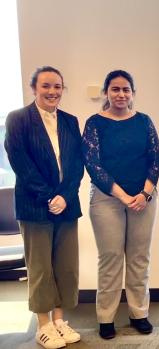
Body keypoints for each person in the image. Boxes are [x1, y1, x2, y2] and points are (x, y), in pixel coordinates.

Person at [5, 66, 83, 349]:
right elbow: (20, 163)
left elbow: (76, 164)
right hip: (35, 204)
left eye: (57, 86)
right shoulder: (18, 119)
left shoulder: (70, 121)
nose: (52, 92)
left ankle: (60, 320)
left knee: (66, 266)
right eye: (46, 86)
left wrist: (65, 195)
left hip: (67, 204)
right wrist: (50, 197)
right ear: (34, 88)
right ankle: (44, 325)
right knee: (40, 267)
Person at [83, 70, 159, 339]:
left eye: (126, 89)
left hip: (144, 198)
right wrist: (123, 196)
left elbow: (155, 160)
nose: (121, 94)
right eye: (115, 89)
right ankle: (106, 318)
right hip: (107, 200)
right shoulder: (94, 123)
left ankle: (139, 313)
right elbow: (93, 164)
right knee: (111, 259)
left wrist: (144, 195)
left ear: (133, 93)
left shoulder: (144, 121)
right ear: (106, 92)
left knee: (140, 258)